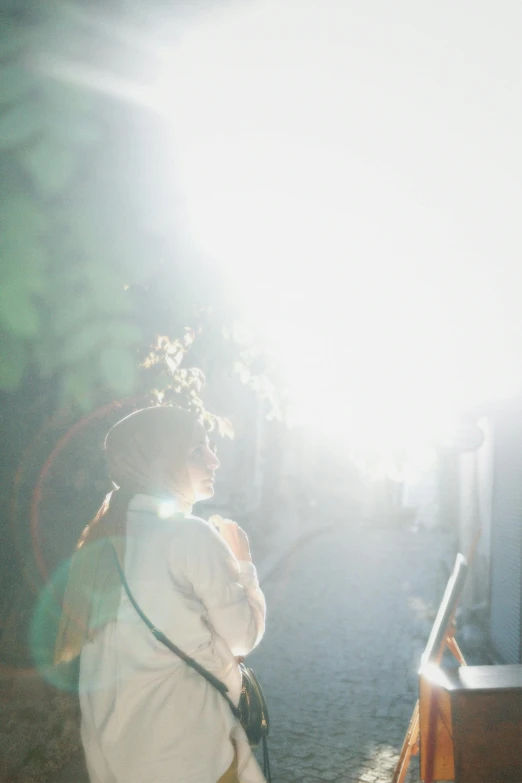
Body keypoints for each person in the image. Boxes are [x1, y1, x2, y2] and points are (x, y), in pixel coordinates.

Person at [54, 405, 267, 783]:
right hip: (189, 755)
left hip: (113, 757)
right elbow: (242, 637)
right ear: (159, 460)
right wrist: (244, 563)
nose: (214, 460)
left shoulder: (100, 542)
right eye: (197, 450)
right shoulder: (190, 535)